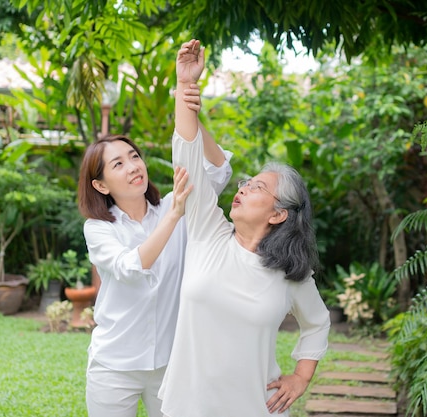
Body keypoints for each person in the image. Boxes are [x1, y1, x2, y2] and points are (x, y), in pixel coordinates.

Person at [158, 39, 331, 417]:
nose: (243, 189)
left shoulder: (291, 275)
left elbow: (317, 324)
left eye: (258, 188)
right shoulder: (208, 231)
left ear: (278, 214)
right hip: (187, 407)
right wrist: (185, 85)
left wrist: (301, 378)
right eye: (245, 183)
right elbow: (187, 154)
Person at [77, 84, 233, 417]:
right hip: (114, 366)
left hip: (171, 364)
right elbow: (131, 266)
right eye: (117, 164)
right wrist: (175, 214)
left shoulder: (171, 207)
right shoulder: (100, 228)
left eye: (134, 156)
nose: (133, 166)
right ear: (101, 185)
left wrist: (191, 115)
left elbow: (219, 171)